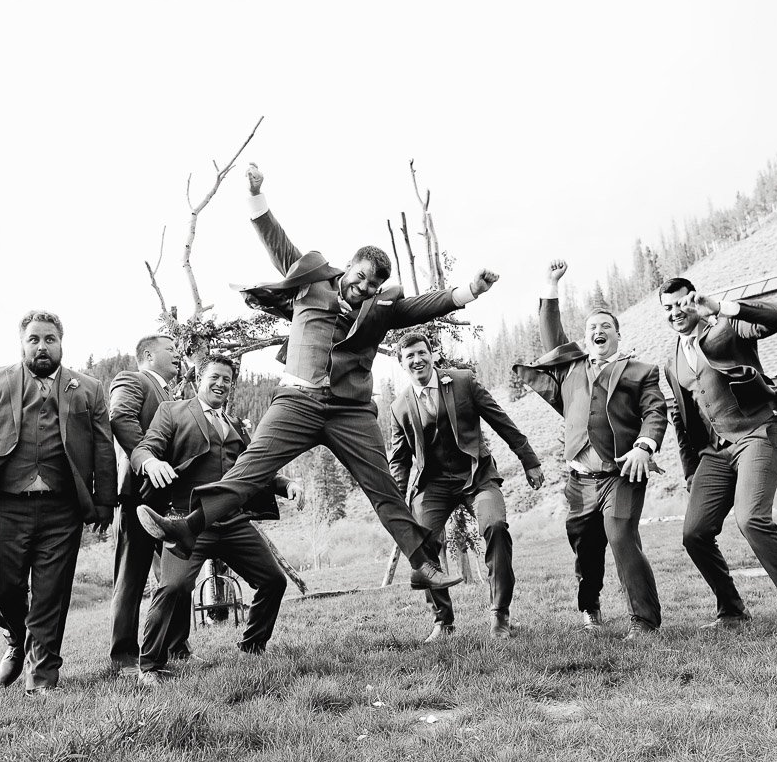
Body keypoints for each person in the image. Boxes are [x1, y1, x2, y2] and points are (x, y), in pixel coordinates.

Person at [138, 164, 499, 593]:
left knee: (381, 484)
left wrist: (469, 291)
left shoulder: (380, 311)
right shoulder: (311, 283)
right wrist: (256, 194)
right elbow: (276, 240)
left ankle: (422, 563)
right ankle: (189, 525)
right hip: (297, 402)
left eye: (372, 285)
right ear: (348, 267)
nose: (362, 287)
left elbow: (426, 305)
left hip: (350, 410)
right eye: (359, 276)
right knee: (250, 471)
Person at [0, 311, 115, 693]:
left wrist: (104, 501)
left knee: (52, 593)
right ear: (22, 343)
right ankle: (16, 639)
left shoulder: (88, 388)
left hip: (62, 507)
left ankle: (42, 679)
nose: (42, 346)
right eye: (34, 339)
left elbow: (102, 448)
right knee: (0, 584)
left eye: (50, 339)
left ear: (61, 343)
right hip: (2, 505)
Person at [659, 278, 777, 640]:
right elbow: (681, 419)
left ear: (694, 299)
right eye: (668, 308)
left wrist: (720, 306)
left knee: (751, 519)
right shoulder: (671, 360)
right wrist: (692, 472)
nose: (676, 312)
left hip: (758, 434)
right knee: (695, 533)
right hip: (715, 453)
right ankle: (732, 611)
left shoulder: (727, 327)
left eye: (681, 303)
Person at [513, 260, 667, 639]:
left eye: (605, 327)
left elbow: (655, 411)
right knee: (586, 547)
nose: (598, 331)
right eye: (592, 328)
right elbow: (551, 336)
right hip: (579, 479)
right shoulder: (571, 369)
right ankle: (591, 607)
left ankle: (644, 621)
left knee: (620, 537)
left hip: (622, 474)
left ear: (617, 334)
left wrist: (644, 447)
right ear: (585, 338)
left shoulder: (640, 370)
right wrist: (551, 284)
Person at [131, 354, 302, 685]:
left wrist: (287, 484)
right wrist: (151, 463)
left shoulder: (236, 425)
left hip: (233, 522)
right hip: (186, 520)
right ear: (198, 379)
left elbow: (258, 470)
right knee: (173, 587)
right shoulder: (173, 412)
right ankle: (150, 664)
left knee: (273, 581)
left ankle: (252, 647)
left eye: (228, 379)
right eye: (215, 377)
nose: (221, 384)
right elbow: (144, 449)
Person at [389, 332, 544, 641]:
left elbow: (501, 420)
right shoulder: (399, 407)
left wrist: (529, 459)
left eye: (422, 352)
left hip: (476, 474)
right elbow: (399, 460)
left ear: (432, 353)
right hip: (432, 484)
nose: (417, 359)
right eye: (409, 356)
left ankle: (500, 614)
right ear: (402, 364)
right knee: (422, 541)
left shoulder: (462, 381)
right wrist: (394, 505)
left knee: (496, 527)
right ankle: (443, 622)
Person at [108, 334, 190, 672]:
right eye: (170, 349)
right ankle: (124, 654)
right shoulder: (133, 379)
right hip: (139, 492)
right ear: (147, 354)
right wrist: (148, 462)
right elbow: (120, 418)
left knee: (178, 572)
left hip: (170, 497)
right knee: (132, 576)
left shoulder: (172, 394)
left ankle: (177, 648)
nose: (178, 355)